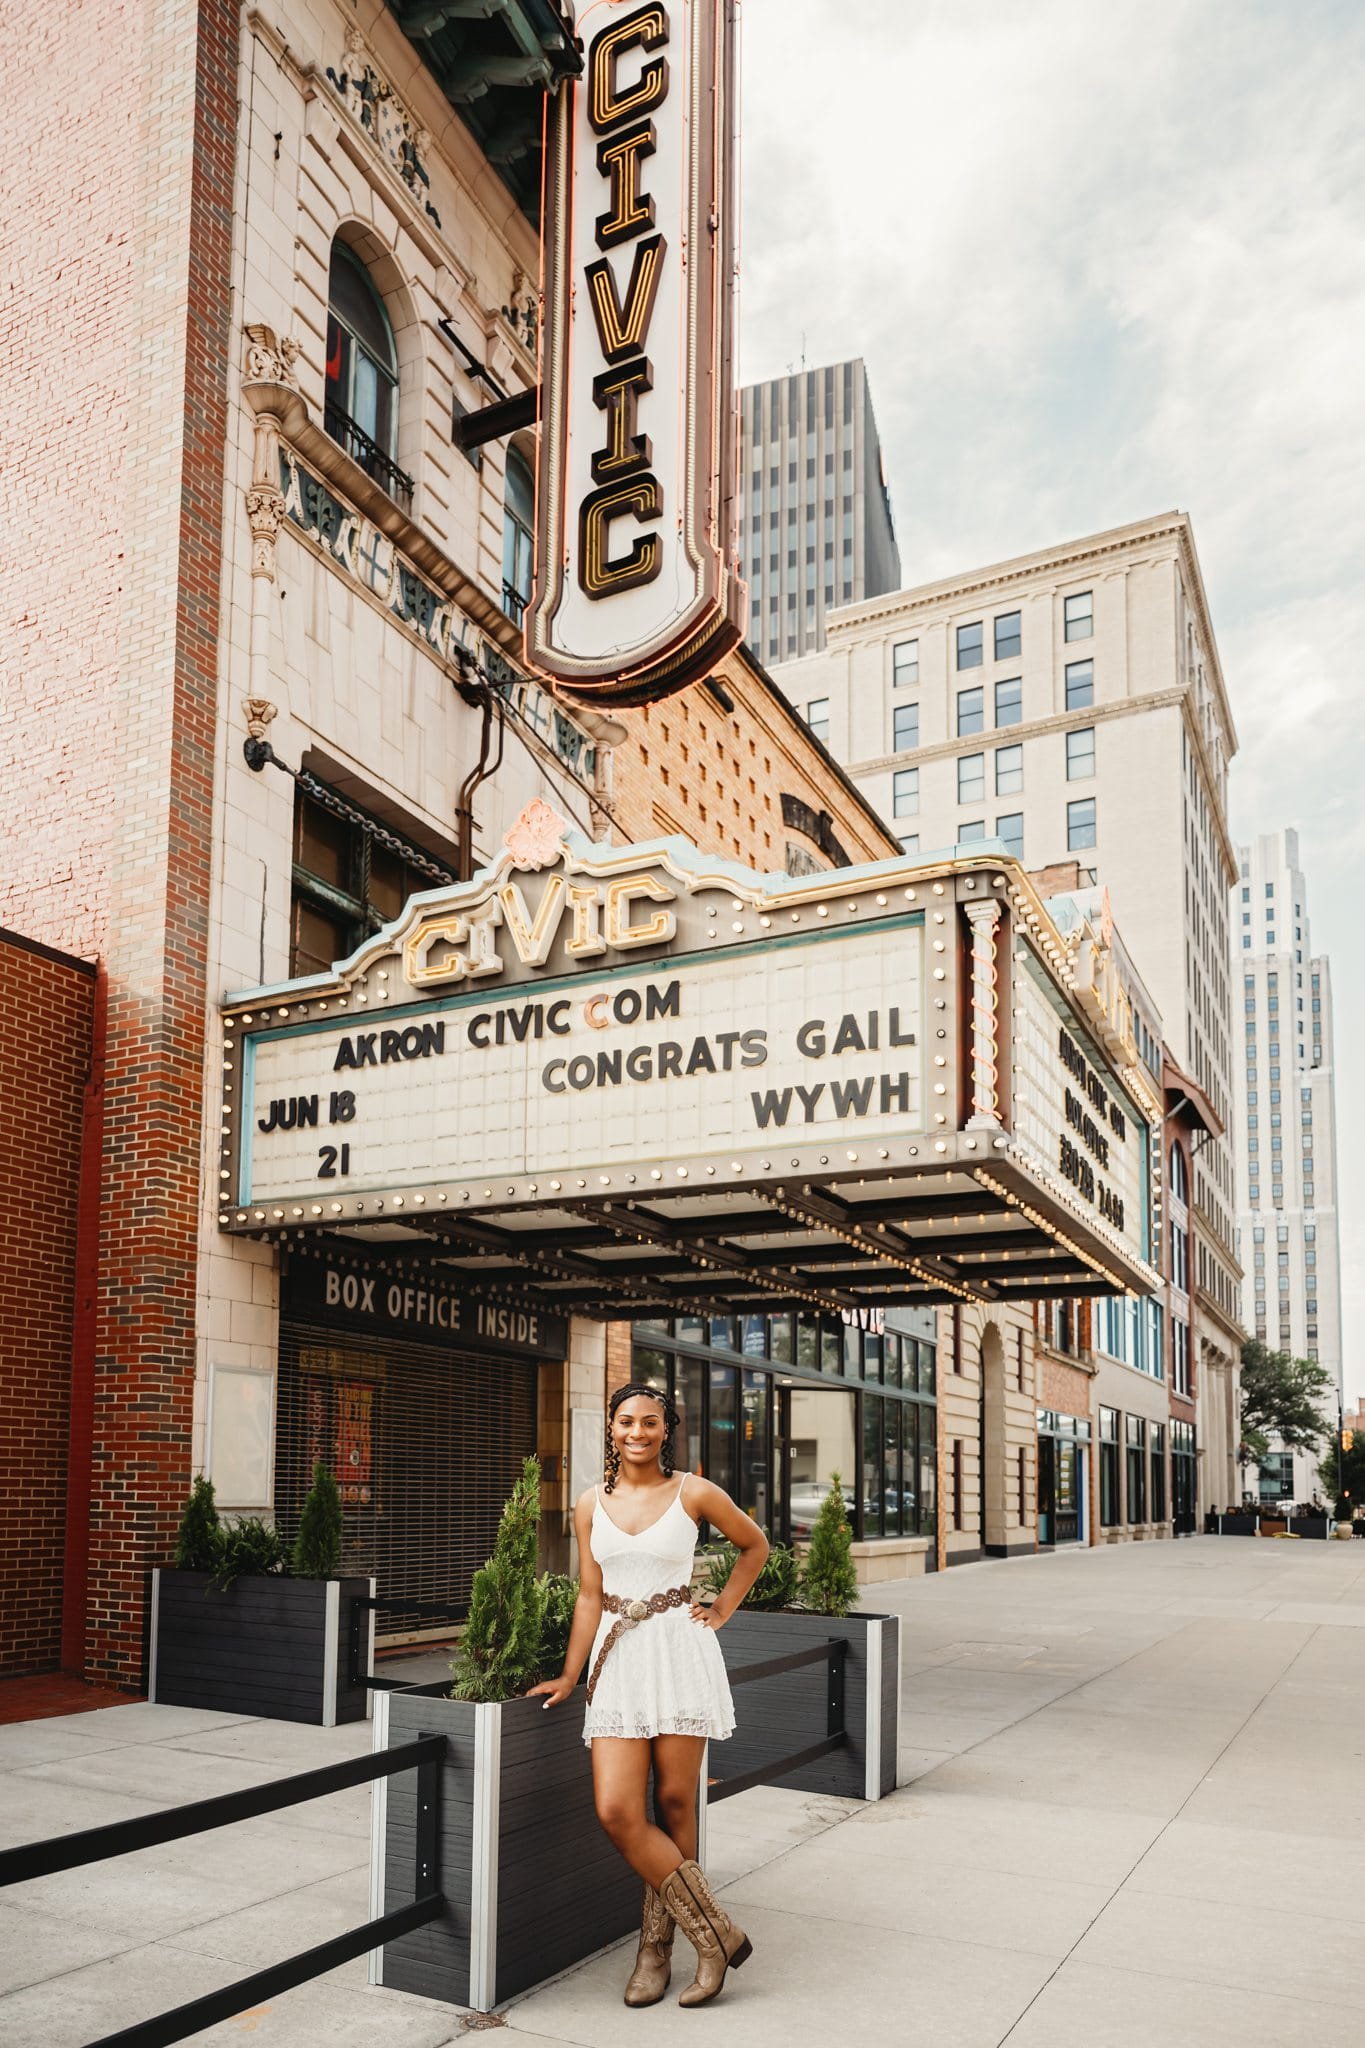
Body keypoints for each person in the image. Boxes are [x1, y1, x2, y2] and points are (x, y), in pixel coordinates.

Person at [529, 1381, 769, 2008]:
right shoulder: (588, 1505)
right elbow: (588, 1595)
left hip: (677, 1651)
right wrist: (570, 1670)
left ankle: (655, 1950)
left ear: (668, 1430)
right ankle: (716, 1933)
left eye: (650, 1423)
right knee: (616, 1809)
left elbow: (755, 1545)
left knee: (674, 1801)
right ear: (610, 1429)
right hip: (618, 1660)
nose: (638, 1432)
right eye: (626, 1422)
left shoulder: (693, 1491)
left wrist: (721, 1609)